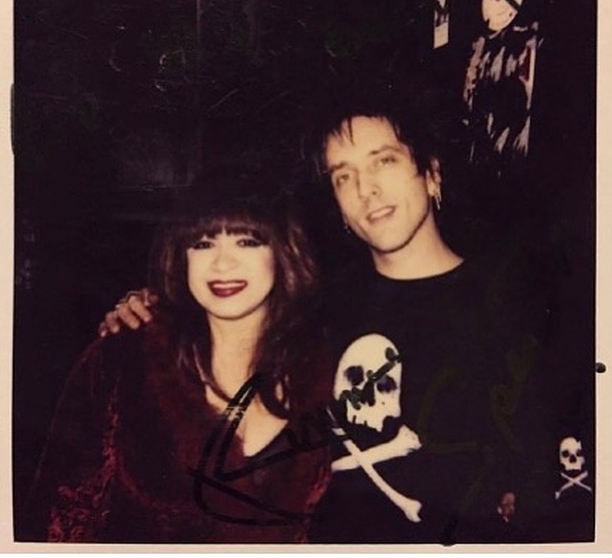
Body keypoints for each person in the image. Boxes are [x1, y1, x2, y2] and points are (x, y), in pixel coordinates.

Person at [97, 89, 554, 544]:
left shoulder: (512, 307)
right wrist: (152, 306)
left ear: (432, 173)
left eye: (384, 161)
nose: (366, 189)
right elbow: (224, 308)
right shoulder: (315, 306)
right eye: (343, 176)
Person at [21, 168, 333, 543]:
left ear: (284, 252)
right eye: (202, 243)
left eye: (247, 241)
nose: (222, 263)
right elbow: (55, 515)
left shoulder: (331, 374)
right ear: (181, 256)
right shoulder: (122, 359)